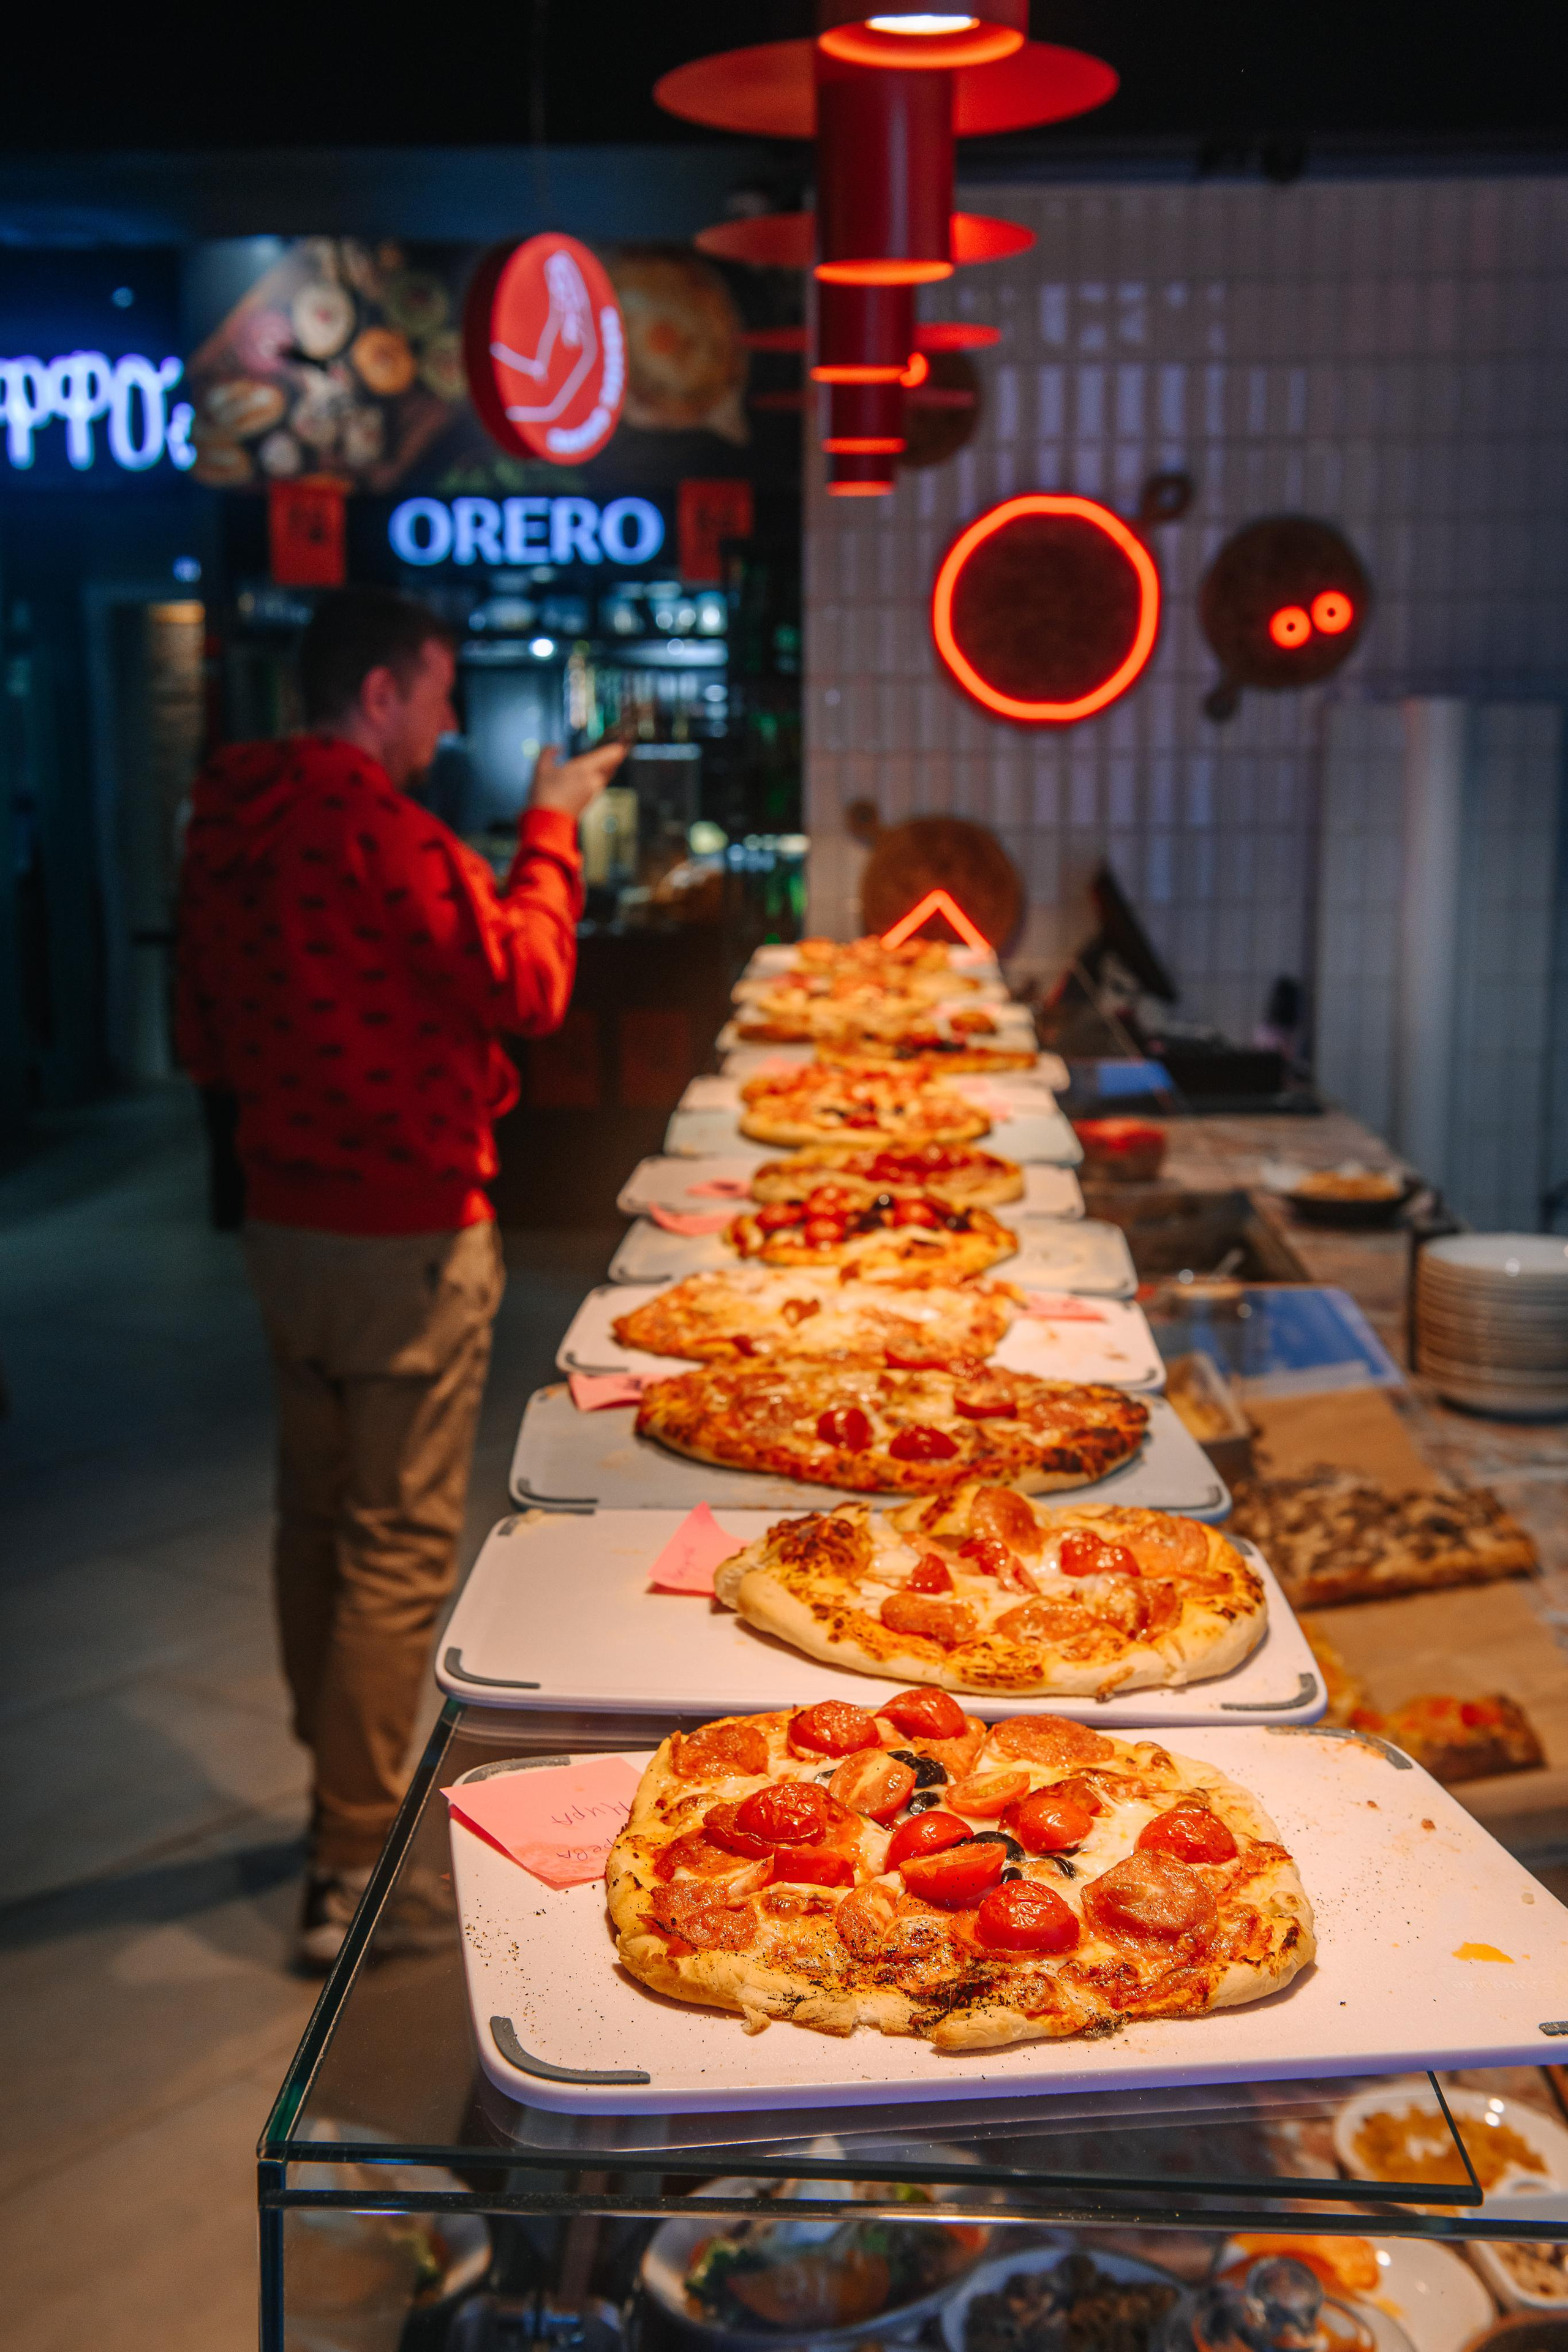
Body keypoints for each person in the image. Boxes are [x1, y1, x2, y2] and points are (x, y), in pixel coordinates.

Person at [176, 586, 624, 1970]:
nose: (442, 725)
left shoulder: (224, 826)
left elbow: (199, 1034)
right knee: (396, 1545)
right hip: (405, 1233)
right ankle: (352, 1861)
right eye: (435, 697)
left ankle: (337, 1784)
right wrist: (552, 827)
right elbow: (532, 982)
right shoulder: (385, 834)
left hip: (285, 1229)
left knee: (314, 1517)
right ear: (380, 693)